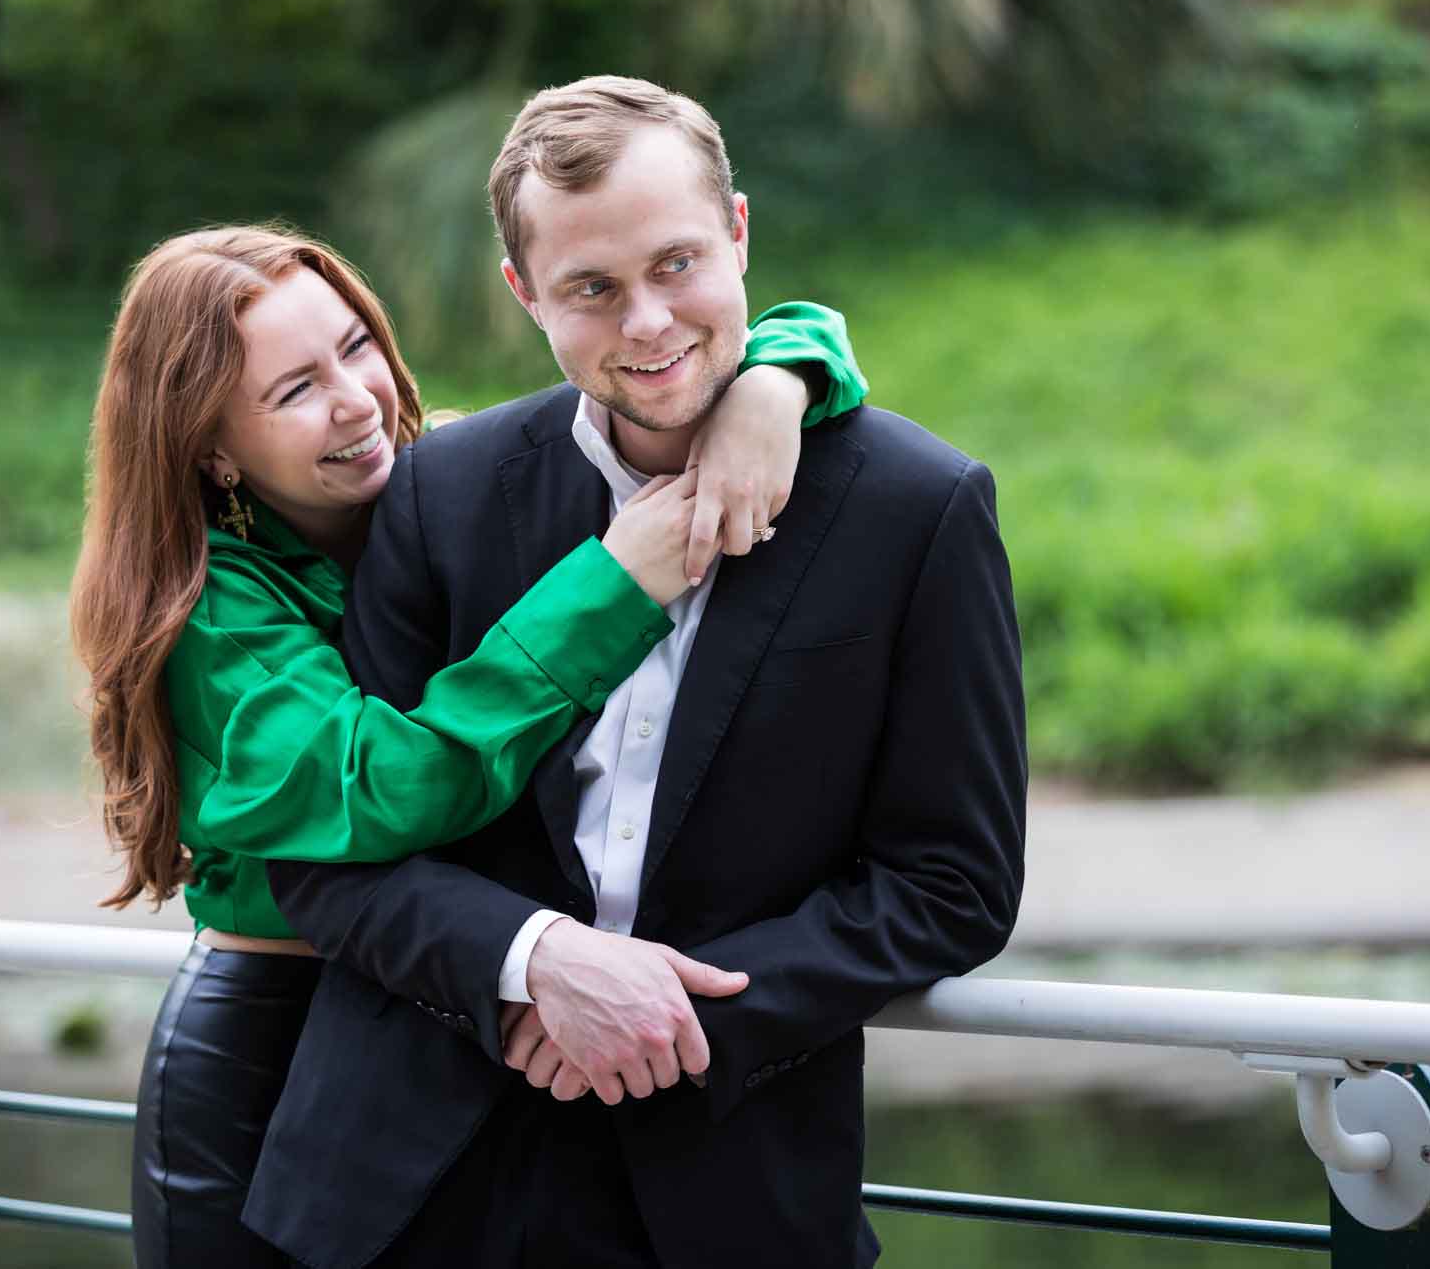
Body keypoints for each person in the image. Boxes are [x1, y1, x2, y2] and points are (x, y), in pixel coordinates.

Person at [249, 77, 1027, 1268]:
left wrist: (662, 1017)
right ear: (525, 298)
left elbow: (951, 883)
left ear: (739, 234)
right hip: (397, 1193)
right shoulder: (438, 491)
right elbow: (323, 849)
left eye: (676, 265)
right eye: (592, 291)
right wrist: (531, 966)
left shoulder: (919, 509)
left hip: (730, 1190)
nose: (648, 323)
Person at [65, 223, 869, 1268]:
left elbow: (772, 331)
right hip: (275, 1056)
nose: (356, 399)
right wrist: (613, 587)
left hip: (454, 1035)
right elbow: (390, 788)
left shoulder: (448, 482)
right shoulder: (207, 614)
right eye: (294, 390)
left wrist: (780, 379)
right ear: (212, 447)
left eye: (356, 347)